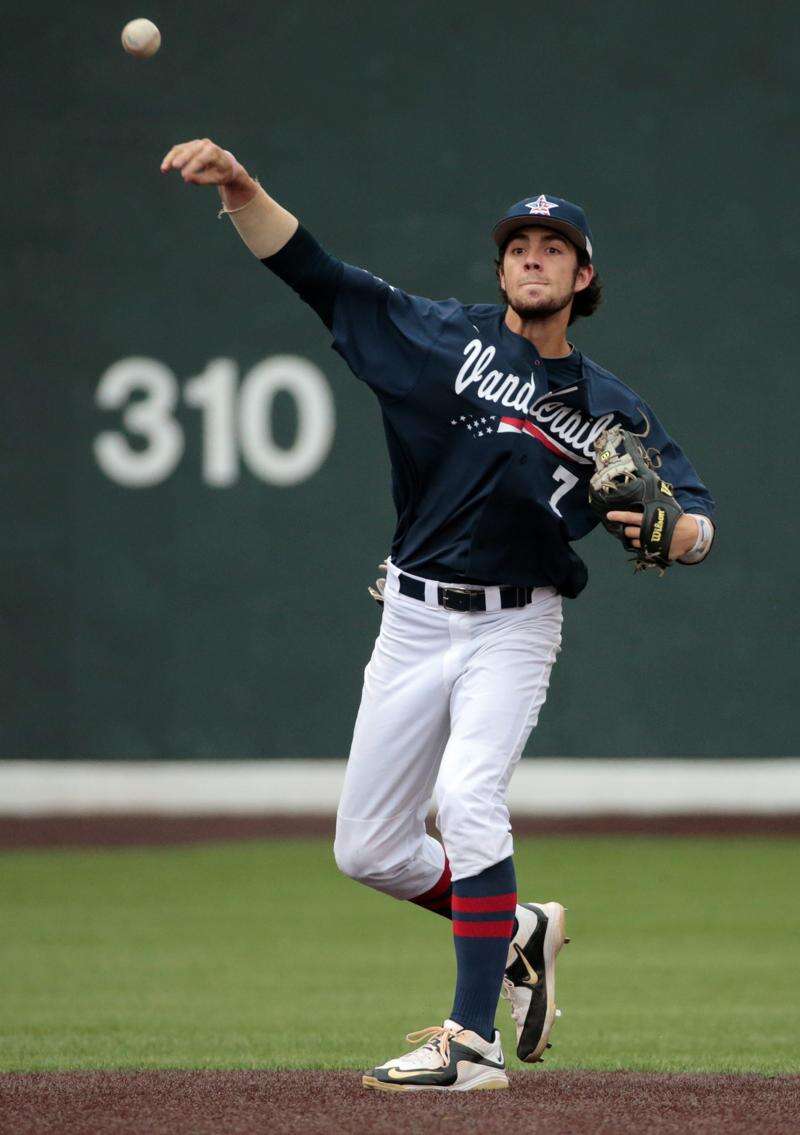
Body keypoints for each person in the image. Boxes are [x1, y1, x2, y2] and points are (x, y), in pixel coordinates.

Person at [161, 140, 716, 1093]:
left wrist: (680, 536)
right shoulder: (433, 339)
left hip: (515, 623)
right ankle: (516, 929)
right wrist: (245, 191)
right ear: (501, 266)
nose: (533, 255)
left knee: (466, 799)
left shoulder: (609, 408)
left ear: (584, 276)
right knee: (368, 846)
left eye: (554, 245)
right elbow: (315, 275)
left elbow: (696, 516)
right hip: (412, 616)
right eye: (519, 244)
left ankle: (472, 1042)